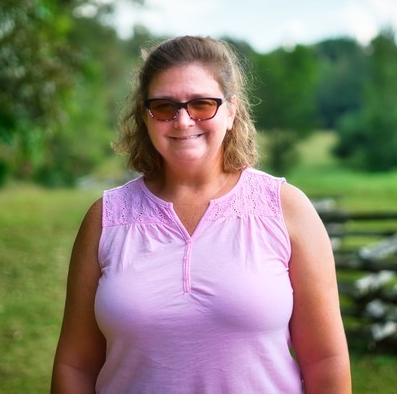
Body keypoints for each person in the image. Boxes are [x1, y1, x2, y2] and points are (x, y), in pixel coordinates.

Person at [51, 35, 351, 393]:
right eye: (164, 107)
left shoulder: (286, 209)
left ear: (231, 111)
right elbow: (75, 365)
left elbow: (325, 361)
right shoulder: (106, 218)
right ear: (144, 117)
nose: (182, 121)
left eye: (202, 104)